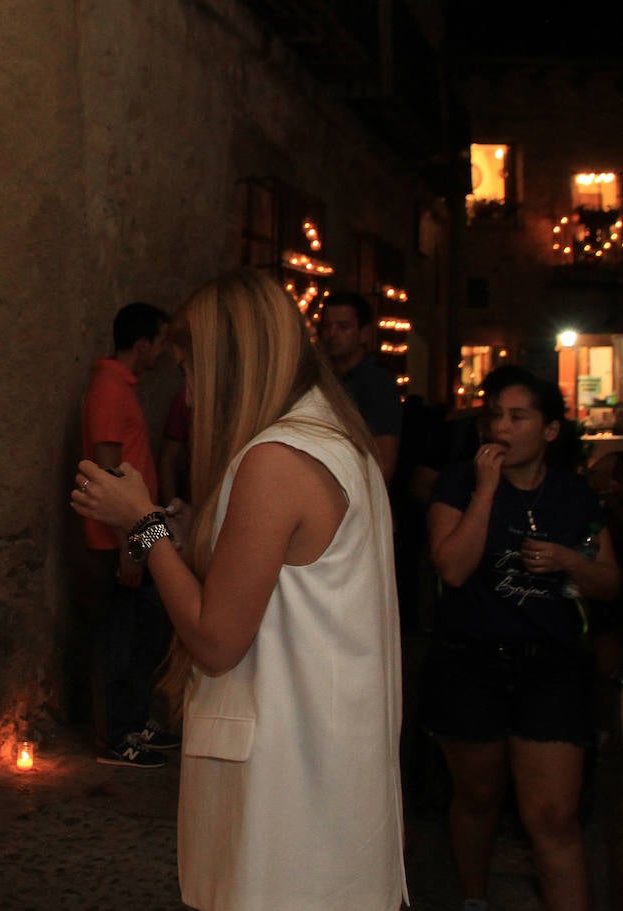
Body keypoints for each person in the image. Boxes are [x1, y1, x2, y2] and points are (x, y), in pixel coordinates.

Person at [71, 268, 406, 909]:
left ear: (231, 365)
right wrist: (195, 535)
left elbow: (216, 640)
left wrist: (141, 528)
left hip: (290, 787)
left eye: (193, 373)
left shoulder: (276, 459)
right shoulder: (333, 438)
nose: (191, 398)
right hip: (327, 774)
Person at [426, 366, 619, 911]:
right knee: (478, 798)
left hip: (551, 667)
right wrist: (486, 490)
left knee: (553, 816)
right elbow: (454, 568)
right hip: (470, 662)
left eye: (518, 416)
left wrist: (568, 562)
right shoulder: (460, 481)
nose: (501, 428)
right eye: (494, 417)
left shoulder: (573, 496)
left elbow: (609, 581)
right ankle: (474, 899)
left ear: (550, 430)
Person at [79, 301, 176, 768]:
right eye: (162, 340)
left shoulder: (122, 386)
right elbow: (108, 469)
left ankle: (135, 721)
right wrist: (130, 549)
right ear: (143, 344)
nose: (165, 350)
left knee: (142, 632)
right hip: (120, 537)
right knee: (119, 637)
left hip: (139, 529)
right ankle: (116, 737)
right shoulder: (109, 389)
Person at [318, 290, 402, 481]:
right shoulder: (321, 378)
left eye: (343, 327)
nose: (332, 334)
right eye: (326, 326)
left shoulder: (377, 383)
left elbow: (384, 462)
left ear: (364, 333)